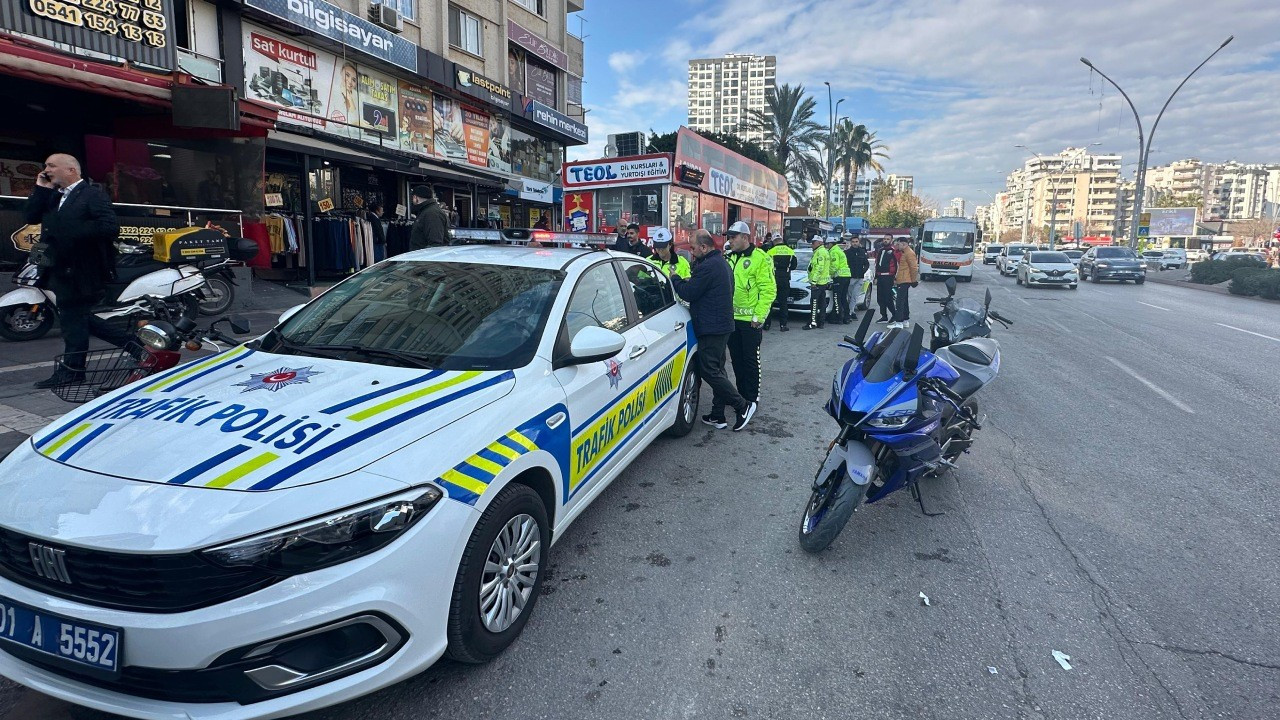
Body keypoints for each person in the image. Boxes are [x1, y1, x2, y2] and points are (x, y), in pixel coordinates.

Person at [24, 154, 119, 388]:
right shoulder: (53, 195)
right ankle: (134, 346)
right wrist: (41, 189)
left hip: (82, 267)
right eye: (45, 165)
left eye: (51, 166)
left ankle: (73, 371)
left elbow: (109, 227)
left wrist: (68, 229)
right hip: (57, 265)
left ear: (71, 170)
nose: (46, 169)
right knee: (75, 317)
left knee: (72, 319)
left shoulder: (92, 194)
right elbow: (30, 216)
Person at [671, 230, 757, 432]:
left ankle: (742, 405)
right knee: (718, 369)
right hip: (721, 324)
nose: (691, 252)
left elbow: (689, 292)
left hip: (712, 327)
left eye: (693, 248)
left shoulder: (709, 266)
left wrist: (675, 279)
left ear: (704, 247)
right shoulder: (720, 263)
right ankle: (718, 415)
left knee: (709, 371)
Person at [723, 220, 775, 408]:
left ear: (745, 237)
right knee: (736, 360)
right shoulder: (728, 257)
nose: (730, 240)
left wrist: (759, 317)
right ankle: (741, 396)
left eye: (733, 237)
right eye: (729, 237)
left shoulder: (760, 258)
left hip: (750, 321)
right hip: (732, 319)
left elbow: (769, 290)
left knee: (751, 360)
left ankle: (752, 398)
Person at [764, 235, 796, 331]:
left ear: (774, 241)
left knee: (769, 303)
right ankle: (783, 325)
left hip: (773, 280)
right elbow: (794, 266)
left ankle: (767, 325)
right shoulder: (790, 251)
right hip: (785, 280)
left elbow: (765, 267)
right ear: (782, 240)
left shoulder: (770, 252)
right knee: (783, 303)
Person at [408, 185, 450, 250]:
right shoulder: (426, 211)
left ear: (415, 197)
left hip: (424, 257)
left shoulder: (431, 213)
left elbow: (436, 243)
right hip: (421, 256)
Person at [804, 235, 830, 330]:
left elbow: (819, 268)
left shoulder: (820, 253)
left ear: (819, 243)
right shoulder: (822, 252)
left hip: (818, 283)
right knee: (822, 303)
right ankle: (821, 322)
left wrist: (814, 282)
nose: (811, 245)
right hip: (822, 282)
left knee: (814, 303)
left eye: (813, 243)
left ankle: (812, 323)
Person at [892, 238, 920, 328]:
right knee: (904, 301)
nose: (897, 246)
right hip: (903, 279)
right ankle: (905, 320)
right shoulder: (905, 252)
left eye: (899, 244)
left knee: (899, 301)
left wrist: (913, 280)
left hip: (905, 280)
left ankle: (899, 322)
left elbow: (914, 268)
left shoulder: (909, 253)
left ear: (904, 244)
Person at [872, 236, 899, 323]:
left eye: (888, 239)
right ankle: (884, 316)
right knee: (880, 298)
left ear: (891, 240)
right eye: (884, 239)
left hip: (888, 277)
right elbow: (877, 264)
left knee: (888, 298)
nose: (885, 240)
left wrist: (895, 277)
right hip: (880, 277)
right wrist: (876, 277)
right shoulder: (881, 251)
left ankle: (895, 315)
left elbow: (897, 265)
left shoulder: (893, 251)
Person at [826, 236, 852, 324]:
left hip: (839, 277)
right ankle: (847, 317)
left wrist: (828, 273)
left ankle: (838, 318)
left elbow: (834, 266)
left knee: (837, 298)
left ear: (830, 244)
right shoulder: (839, 250)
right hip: (846, 276)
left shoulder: (833, 252)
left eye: (827, 244)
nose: (826, 246)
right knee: (843, 298)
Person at [844, 234, 869, 321]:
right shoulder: (847, 253)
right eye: (853, 242)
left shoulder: (862, 252)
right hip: (851, 278)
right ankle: (850, 311)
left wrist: (863, 271)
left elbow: (866, 264)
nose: (855, 243)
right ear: (851, 243)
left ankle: (851, 312)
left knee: (854, 295)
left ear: (859, 242)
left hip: (860, 278)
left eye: (856, 242)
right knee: (850, 296)